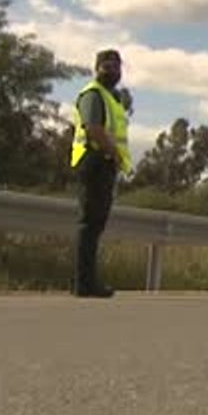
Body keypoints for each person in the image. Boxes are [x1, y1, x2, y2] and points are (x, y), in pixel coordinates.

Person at [70, 49, 133, 298]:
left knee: (96, 225)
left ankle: (87, 281)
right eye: (107, 67)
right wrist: (114, 153)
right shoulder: (93, 94)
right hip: (94, 160)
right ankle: (84, 283)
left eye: (117, 67)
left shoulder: (112, 98)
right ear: (97, 68)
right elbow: (94, 128)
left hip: (103, 164)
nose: (113, 71)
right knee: (90, 224)